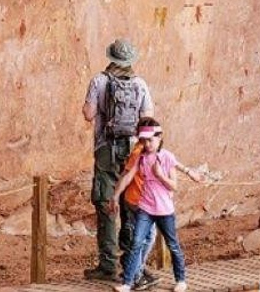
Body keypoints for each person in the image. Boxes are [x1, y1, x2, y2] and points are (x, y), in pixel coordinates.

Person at [82, 39, 154, 281]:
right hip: (133, 151)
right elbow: (148, 119)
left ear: (111, 57)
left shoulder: (99, 81)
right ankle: (132, 263)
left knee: (106, 205)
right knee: (130, 206)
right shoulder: (140, 84)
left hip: (106, 150)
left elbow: (88, 114)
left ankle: (108, 265)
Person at [116, 117, 204, 290]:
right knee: (136, 243)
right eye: (144, 141)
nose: (147, 144)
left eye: (150, 140)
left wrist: (160, 175)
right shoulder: (141, 158)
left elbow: (174, 185)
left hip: (164, 210)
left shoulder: (166, 157)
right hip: (145, 208)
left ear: (159, 138)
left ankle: (181, 280)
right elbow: (128, 176)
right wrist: (115, 195)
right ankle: (127, 282)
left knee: (173, 244)